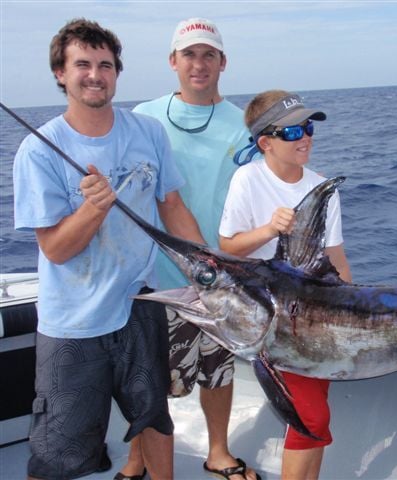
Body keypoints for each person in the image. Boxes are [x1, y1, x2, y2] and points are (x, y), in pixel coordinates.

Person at [13, 18, 207, 480]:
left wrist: (210, 267)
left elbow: (172, 204)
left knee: (154, 417)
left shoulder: (147, 132)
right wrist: (92, 210)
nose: (95, 74)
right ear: (61, 73)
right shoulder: (38, 150)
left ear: (117, 73)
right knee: (60, 451)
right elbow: (57, 250)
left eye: (105, 64)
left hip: (140, 304)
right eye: (82, 64)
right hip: (74, 323)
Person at [115, 18, 259, 480]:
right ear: (173, 61)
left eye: (209, 55)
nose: (199, 64)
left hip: (224, 276)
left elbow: (261, 194)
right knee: (148, 380)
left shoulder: (247, 124)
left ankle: (218, 451)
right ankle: (137, 459)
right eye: (189, 55)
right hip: (155, 274)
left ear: (223, 62)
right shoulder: (144, 116)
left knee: (219, 370)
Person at [218, 90, 352, 480]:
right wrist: (268, 229)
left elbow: (336, 258)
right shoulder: (247, 179)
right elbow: (228, 246)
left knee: (312, 415)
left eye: (309, 127)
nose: (306, 137)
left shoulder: (322, 186)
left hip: (320, 315)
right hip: (272, 319)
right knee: (310, 415)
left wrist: (350, 305)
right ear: (265, 143)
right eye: (293, 131)